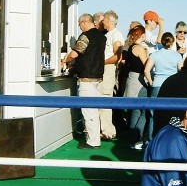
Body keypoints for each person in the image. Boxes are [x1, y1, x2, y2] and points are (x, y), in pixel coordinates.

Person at [62, 13, 107, 149]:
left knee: (88, 111)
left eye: (79, 24)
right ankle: (94, 138)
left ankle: (93, 141)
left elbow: (76, 53)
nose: (80, 27)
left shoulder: (85, 36)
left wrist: (65, 60)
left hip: (87, 79)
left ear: (83, 22)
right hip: (99, 77)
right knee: (94, 110)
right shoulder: (102, 37)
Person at [144, 32, 183, 139]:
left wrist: (151, 82)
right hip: (172, 86)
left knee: (153, 116)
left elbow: (147, 70)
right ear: (172, 42)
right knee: (172, 114)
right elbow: (181, 70)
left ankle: (152, 140)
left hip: (157, 85)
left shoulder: (155, 55)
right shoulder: (177, 55)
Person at [99, 10, 125, 140]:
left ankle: (108, 131)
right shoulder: (109, 34)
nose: (102, 22)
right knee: (104, 98)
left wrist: (102, 62)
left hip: (108, 69)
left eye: (103, 20)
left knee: (105, 98)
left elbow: (117, 55)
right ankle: (107, 129)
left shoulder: (116, 34)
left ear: (108, 20)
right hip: (106, 69)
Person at [124, 24, 150, 149]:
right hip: (139, 81)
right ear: (143, 35)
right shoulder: (140, 49)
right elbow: (147, 65)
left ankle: (132, 139)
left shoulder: (131, 47)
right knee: (144, 111)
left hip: (132, 78)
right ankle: (137, 138)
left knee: (135, 111)